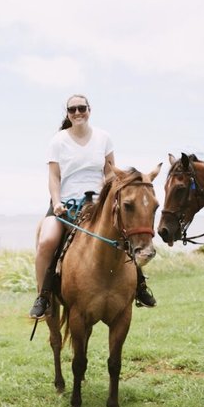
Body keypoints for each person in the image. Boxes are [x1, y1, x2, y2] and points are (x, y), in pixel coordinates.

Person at [28, 94, 157, 319]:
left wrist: (112, 195)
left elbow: (110, 171)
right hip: (66, 205)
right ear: (67, 114)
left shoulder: (103, 137)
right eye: (72, 110)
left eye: (81, 108)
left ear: (89, 109)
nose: (77, 113)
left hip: (99, 204)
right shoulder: (58, 141)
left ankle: (140, 287)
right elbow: (54, 177)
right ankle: (43, 296)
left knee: (125, 234)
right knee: (46, 241)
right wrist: (56, 202)